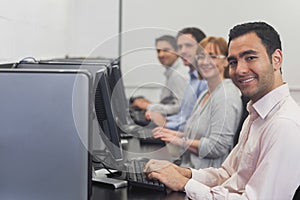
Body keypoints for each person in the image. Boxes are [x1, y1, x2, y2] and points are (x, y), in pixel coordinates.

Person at [144, 21, 300, 199]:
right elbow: (227, 175)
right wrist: (185, 173)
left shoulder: (283, 125)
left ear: (276, 59)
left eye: (250, 58)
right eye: (233, 61)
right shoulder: (255, 115)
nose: (239, 69)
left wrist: (185, 184)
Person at [152, 36, 242, 169]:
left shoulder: (226, 95)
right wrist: (172, 134)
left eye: (212, 56)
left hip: (207, 177)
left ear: (226, 62)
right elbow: (195, 135)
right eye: (200, 57)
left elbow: (217, 147)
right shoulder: (206, 93)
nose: (205, 62)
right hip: (189, 168)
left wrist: (180, 141)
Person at [148, 27, 208, 132]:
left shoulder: (204, 82)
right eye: (180, 47)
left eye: (188, 46)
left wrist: (166, 124)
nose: (183, 51)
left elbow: (195, 126)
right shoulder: (192, 79)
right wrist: (164, 121)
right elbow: (184, 117)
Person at [131, 35, 189, 116]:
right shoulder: (173, 72)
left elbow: (180, 108)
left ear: (177, 51)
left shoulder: (178, 75)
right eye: (158, 51)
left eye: (166, 50)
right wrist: (152, 105)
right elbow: (171, 102)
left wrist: (148, 106)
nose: (161, 55)